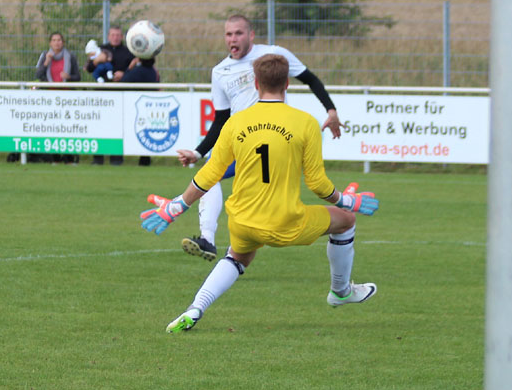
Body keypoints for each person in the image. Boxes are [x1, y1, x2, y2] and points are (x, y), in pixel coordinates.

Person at [139, 54, 379, 333]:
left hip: (243, 221)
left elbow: (210, 173)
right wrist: (348, 201)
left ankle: (195, 308)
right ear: (287, 83)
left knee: (238, 257)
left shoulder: (236, 122)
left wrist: (177, 206)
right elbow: (317, 184)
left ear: (255, 83)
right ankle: (340, 291)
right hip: (285, 223)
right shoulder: (305, 123)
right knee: (346, 220)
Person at [175, 14, 342, 261]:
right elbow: (221, 119)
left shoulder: (273, 55)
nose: (233, 38)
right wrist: (198, 152)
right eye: (229, 34)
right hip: (242, 141)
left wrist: (331, 110)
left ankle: (241, 243)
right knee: (211, 174)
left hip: (275, 139)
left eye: (239, 33)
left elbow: (310, 78)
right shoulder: (220, 71)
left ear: (251, 35)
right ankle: (209, 240)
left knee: (226, 183)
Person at [86, 26, 139, 165]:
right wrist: (96, 61)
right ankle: (98, 159)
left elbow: (135, 71)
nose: (115, 37)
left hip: (120, 95)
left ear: (122, 37)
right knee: (99, 126)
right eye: (113, 35)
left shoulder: (128, 52)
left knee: (117, 128)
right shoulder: (101, 49)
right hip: (102, 95)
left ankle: (116, 159)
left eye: (118, 35)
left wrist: (124, 74)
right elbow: (89, 68)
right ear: (108, 36)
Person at [35, 32, 80, 164]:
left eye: (59, 40)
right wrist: (46, 62)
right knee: (52, 127)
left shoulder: (70, 57)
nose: (57, 43)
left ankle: (69, 157)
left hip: (66, 97)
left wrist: (69, 77)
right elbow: (38, 74)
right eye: (54, 40)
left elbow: (78, 77)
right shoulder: (45, 56)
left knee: (68, 128)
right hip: (49, 97)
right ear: (50, 43)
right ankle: (54, 157)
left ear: (63, 42)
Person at [118, 57, 160, 167]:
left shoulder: (138, 71)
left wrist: (129, 68)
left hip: (139, 107)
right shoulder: (154, 71)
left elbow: (123, 82)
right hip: (150, 106)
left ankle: (118, 160)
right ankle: (145, 161)